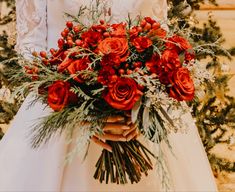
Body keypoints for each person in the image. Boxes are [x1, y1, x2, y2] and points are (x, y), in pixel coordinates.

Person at [0, 0, 218, 191]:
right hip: (60, 112)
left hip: (138, 116)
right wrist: (83, 113)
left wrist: (141, 107)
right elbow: (31, 53)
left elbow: (158, 40)